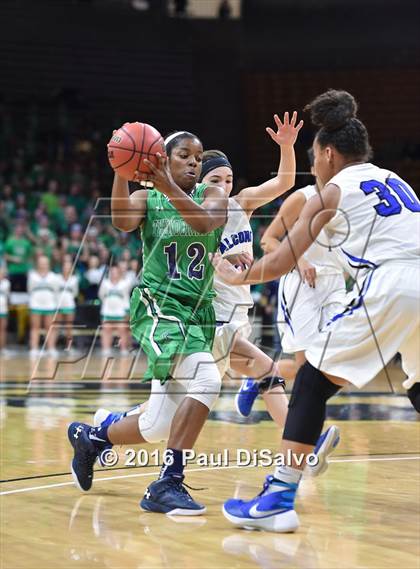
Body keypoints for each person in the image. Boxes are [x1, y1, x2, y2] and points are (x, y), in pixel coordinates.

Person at [212, 90, 420, 532]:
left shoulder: (332, 192)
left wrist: (235, 277)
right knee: (418, 385)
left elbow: (281, 258)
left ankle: (278, 497)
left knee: (311, 379)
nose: (315, 167)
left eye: (314, 158)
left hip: (392, 284)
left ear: (327, 154)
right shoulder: (394, 179)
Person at [94, 113, 338, 476]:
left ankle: (106, 428)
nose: (223, 184)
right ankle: (302, 445)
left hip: (236, 313)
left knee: (163, 416)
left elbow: (284, 181)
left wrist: (286, 148)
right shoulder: (183, 206)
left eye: (228, 178)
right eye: (214, 178)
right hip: (207, 313)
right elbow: (181, 236)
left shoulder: (236, 203)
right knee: (265, 370)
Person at [68, 129, 228, 515]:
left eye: (198, 156)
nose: (194, 161)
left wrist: (168, 184)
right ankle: (167, 483)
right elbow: (122, 221)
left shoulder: (214, 196)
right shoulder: (147, 198)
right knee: (207, 379)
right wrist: (122, 168)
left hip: (199, 312)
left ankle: (92, 437)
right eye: (184, 155)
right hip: (160, 306)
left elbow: (205, 225)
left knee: (158, 425)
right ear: (161, 159)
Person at [236, 149, 346, 426]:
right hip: (301, 285)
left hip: (335, 283)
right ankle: (262, 382)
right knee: (306, 365)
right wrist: (299, 259)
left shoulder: (350, 197)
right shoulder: (303, 197)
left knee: (338, 358)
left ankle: (259, 379)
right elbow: (269, 240)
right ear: (314, 167)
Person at [28, 254, 59, 356]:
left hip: (49, 304)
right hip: (36, 304)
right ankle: (34, 349)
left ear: (48, 264)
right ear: (38, 264)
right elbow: (30, 289)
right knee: (35, 327)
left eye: (45, 263)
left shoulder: (53, 276)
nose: (43, 265)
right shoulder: (32, 275)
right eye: (41, 263)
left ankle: (51, 348)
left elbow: (56, 291)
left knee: (50, 327)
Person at [98, 264, 130, 356]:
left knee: (123, 330)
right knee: (106, 330)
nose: (114, 274)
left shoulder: (125, 283)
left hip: (120, 312)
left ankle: (124, 350)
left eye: (116, 272)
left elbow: (126, 298)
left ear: (119, 273)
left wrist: (127, 311)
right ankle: (106, 349)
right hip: (107, 311)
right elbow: (101, 295)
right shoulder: (105, 283)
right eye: (112, 272)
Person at [56, 257, 79, 350]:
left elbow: (75, 293)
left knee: (69, 327)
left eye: (69, 267)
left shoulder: (74, 279)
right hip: (58, 305)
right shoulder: (56, 278)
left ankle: (69, 347)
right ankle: (52, 347)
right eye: (65, 267)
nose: (67, 269)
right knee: (56, 326)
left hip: (69, 305)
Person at [0, 263, 10, 353]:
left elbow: (7, 296)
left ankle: (3, 348)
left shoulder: (6, 283)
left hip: (3, 309)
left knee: (3, 330)